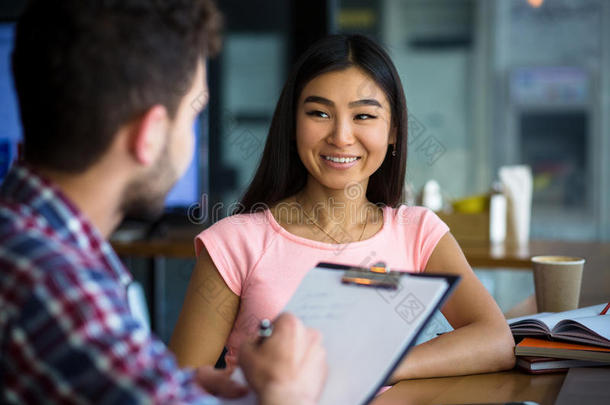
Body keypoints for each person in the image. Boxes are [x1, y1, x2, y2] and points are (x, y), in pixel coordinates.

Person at [0, 1, 327, 404]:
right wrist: (289, 396)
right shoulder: (60, 291)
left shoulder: (31, 239)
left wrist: (187, 392)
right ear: (150, 134)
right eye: (193, 116)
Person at [170, 34, 516, 382]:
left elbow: (496, 339)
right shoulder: (235, 242)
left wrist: (376, 369)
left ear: (393, 131)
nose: (341, 136)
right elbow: (177, 388)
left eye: (364, 116)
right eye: (319, 113)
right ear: (292, 124)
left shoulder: (418, 231)